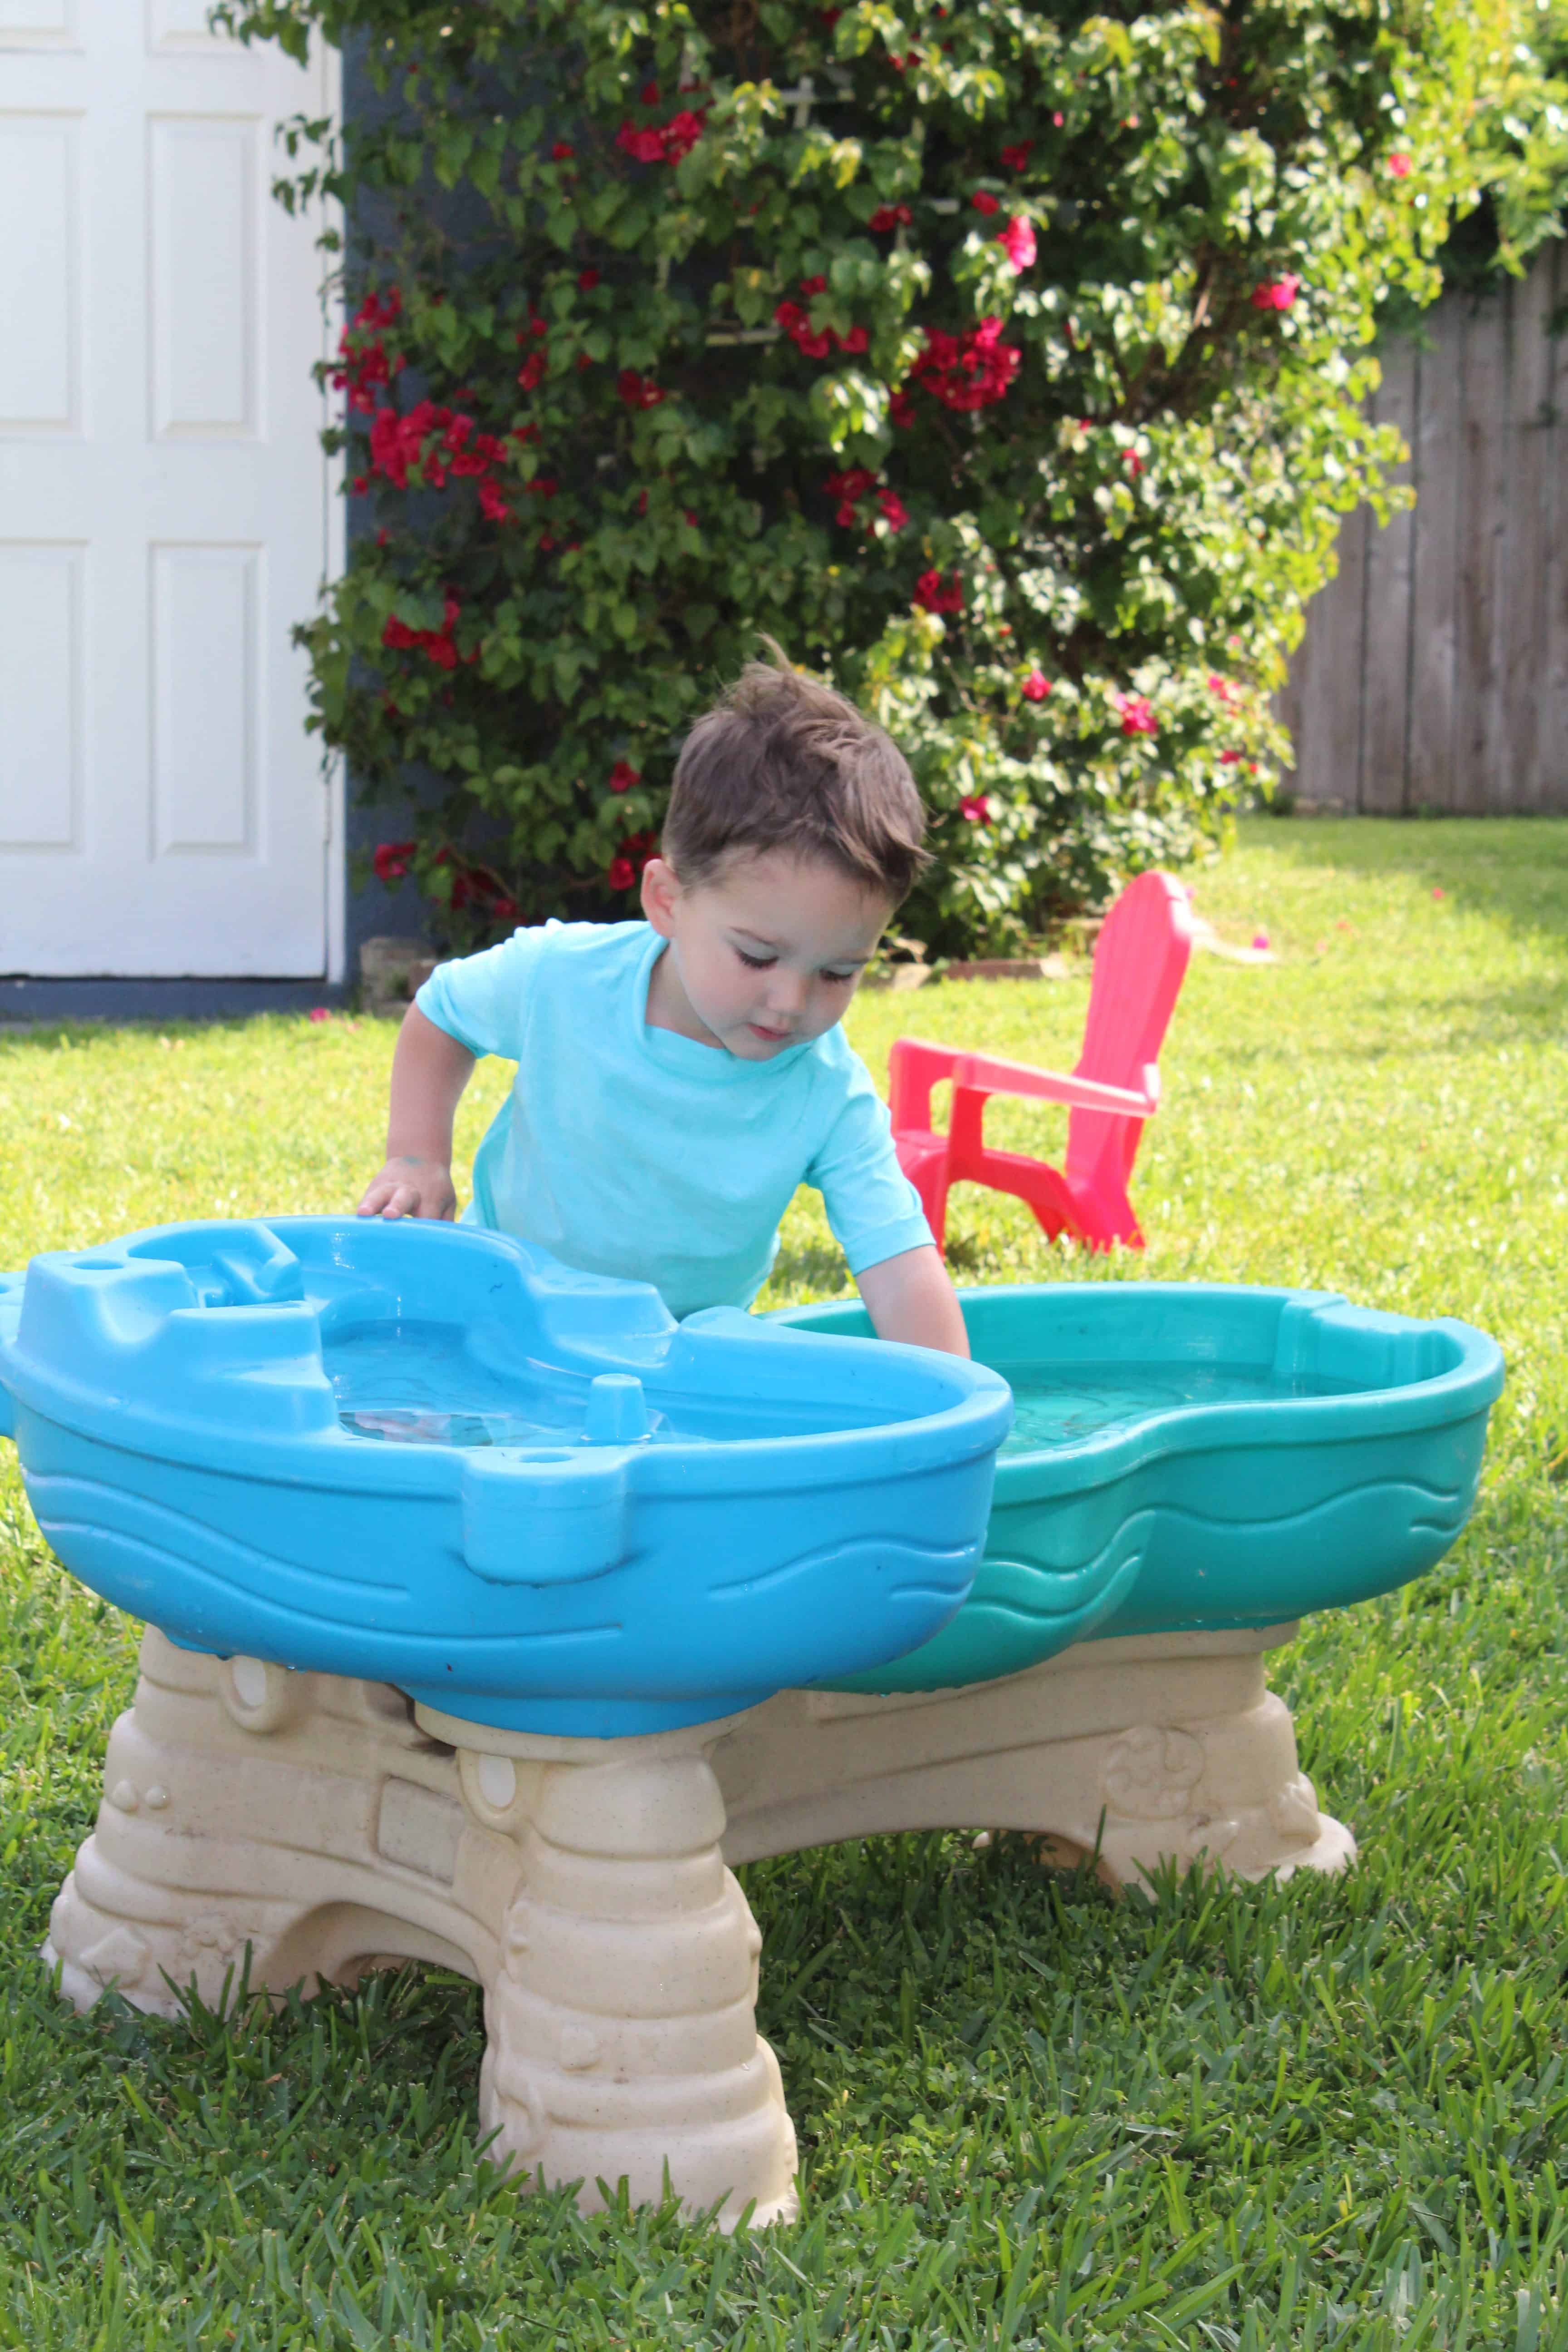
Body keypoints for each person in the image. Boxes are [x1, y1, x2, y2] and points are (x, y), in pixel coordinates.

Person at [356, 651, 969, 1355]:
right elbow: (444, 1012)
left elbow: (897, 1261)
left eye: (839, 972)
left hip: (674, 1363)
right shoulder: (563, 979)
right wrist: (416, 1156)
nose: (791, 1000)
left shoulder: (824, 1090)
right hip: (502, 1324)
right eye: (757, 956)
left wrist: (957, 1405)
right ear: (667, 900)